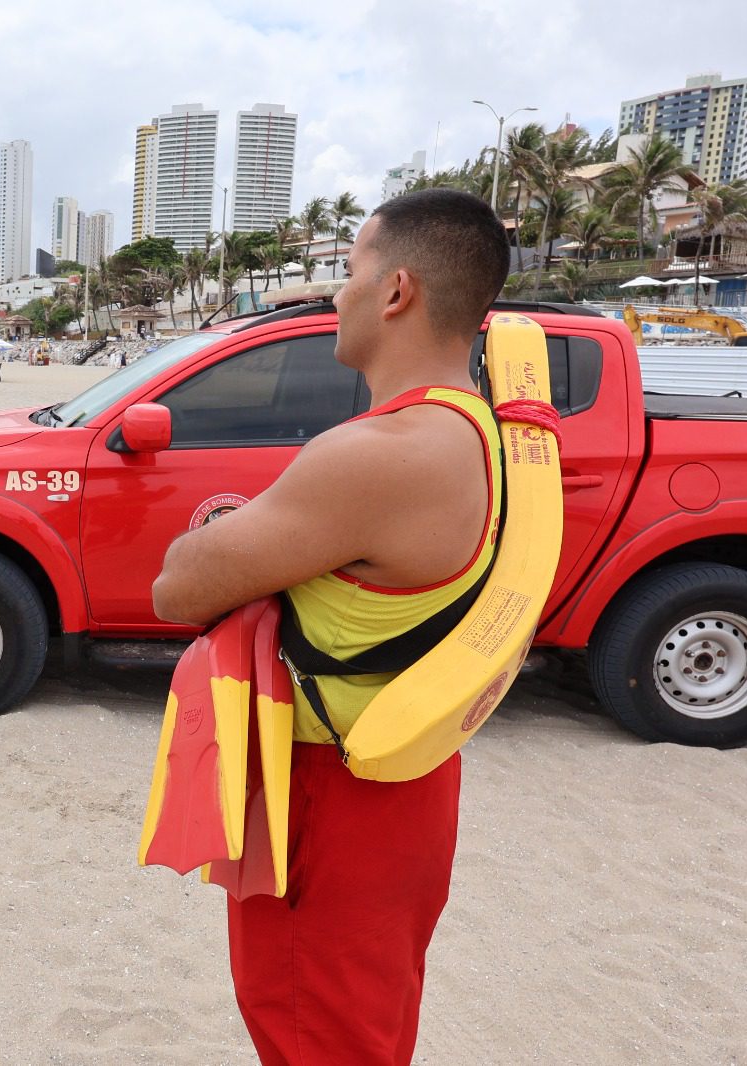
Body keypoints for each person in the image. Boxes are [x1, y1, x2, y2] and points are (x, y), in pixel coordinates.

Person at [150, 189, 511, 1065]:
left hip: (332, 796)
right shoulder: (481, 433)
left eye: (347, 271)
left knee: (315, 1032)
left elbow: (176, 588)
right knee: (365, 1025)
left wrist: (218, 532)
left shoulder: (381, 453)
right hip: (410, 779)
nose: (332, 294)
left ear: (396, 292)